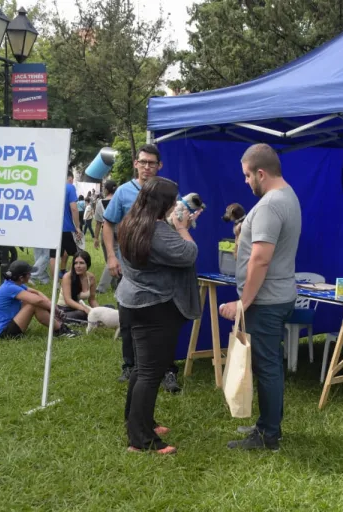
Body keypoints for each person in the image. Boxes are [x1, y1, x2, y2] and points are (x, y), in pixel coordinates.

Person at [219, 143, 301, 452]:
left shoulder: (269, 205)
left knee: (267, 367)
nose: (245, 181)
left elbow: (260, 259)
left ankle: (268, 436)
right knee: (270, 365)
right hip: (275, 297)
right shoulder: (287, 196)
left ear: (261, 173)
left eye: (247, 175)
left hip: (266, 301)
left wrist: (244, 302)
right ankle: (268, 424)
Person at [118, 177, 200, 455]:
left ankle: (139, 422)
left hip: (135, 302)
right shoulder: (157, 230)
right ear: (163, 203)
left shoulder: (131, 222)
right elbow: (188, 253)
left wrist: (175, 226)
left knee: (143, 368)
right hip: (156, 306)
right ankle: (141, 440)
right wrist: (182, 228)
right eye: (173, 200)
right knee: (151, 372)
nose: (177, 204)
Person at [102, 144, 182, 392]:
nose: (147, 167)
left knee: (164, 322)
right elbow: (108, 224)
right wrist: (111, 258)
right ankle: (130, 366)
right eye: (143, 162)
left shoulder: (166, 192)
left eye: (152, 163)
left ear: (159, 166)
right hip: (129, 267)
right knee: (128, 319)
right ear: (136, 163)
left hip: (158, 270)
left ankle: (168, 370)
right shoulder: (124, 192)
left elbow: (174, 226)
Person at [0, 260, 79, 340]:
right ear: (21, 278)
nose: (30, 275)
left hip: (4, 328)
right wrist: (56, 310)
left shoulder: (14, 283)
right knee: (33, 304)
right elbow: (37, 301)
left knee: (33, 301)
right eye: (28, 273)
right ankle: (60, 330)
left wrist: (52, 306)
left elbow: (36, 293)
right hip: (1, 334)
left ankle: (60, 327)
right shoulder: (11, 288)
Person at [50, 171, 83, 280]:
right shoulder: (70, 188)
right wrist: (77, 226)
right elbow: (74, 208)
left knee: (54, 255)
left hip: (53, 227)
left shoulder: (53, 187)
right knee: (77, 253)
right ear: (70, 178)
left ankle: (56, 281)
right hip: (67, 227)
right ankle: (73, 277)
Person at [56, 250, 100, 324]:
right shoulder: (67, 276)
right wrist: (84, 308)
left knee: (109, 307)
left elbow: (92, 300)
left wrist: (100, 311)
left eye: (81, 263)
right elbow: (68, 301)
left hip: (79, 308)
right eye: (76, 263)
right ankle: (61, 319)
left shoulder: (91, 277)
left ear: (88, 264)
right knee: (83, 313)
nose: (78, 266)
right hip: (65, 309)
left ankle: (90, 319)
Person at [94, 179, 119, 294]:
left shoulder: (100, 203)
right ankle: (115, 284)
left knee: (110, 259)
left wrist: (95, 238)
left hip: (106, 232)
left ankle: (101, 288)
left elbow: (98, 222)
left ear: (106, 189)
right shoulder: (120, 200)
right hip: (119, 231)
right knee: (112, 259)